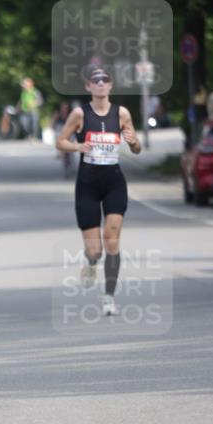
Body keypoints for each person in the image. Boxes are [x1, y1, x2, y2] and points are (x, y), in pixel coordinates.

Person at [55, 68, 141, 316]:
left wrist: (133, 142)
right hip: (87, 185)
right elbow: (60, 141)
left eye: (105, 80)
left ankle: (109, 297)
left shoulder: (121, 113)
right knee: (95, 249)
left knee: (112, 240)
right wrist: (78, 146)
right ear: (88, 86)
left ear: (111, 85)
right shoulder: (80, 114)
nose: (101, 83)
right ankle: (91, 261)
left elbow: (137, 148)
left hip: (114, 182)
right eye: (96, 80)